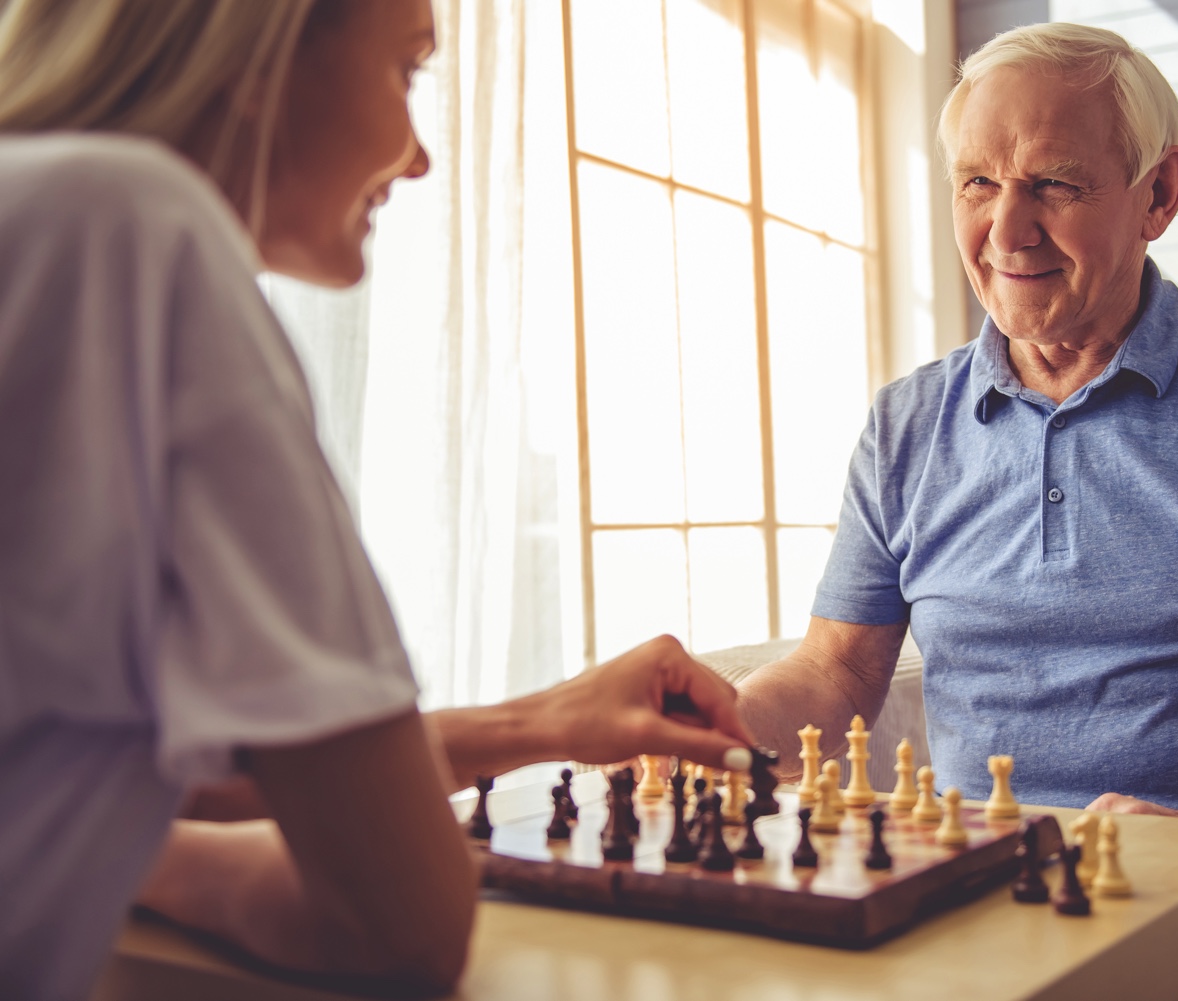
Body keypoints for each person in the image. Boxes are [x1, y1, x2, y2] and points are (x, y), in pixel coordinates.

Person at [0, 2, 751, 998]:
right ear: (257, 51)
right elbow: (400, 921)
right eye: (409, 72)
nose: (419, 157)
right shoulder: (134, 224)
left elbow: (114, 762)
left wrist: (542, 719)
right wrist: (151, 858)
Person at [734, 22, 1178, 1001]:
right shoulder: (906, 423)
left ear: (1159, 193)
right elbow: (836, 668)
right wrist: (708, 729)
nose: (1007, 230)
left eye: (1055, 183)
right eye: (978, 183)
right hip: (989, 870)